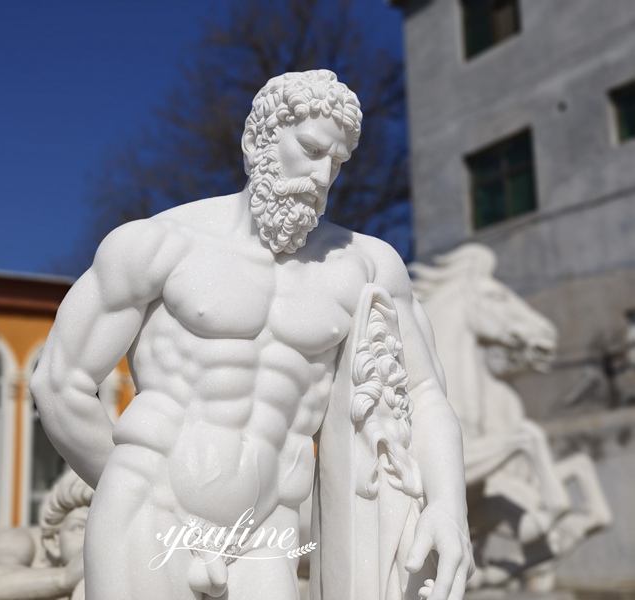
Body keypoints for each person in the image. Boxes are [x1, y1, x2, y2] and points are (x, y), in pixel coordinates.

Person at [31, 70, 473, 600]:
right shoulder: (158, 245)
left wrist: (448, 506)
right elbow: (60, 383)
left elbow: (423, 394)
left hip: (269, 527)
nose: (320, 177)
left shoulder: (366, 265)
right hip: (151, 506)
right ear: (257, 140)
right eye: (309, 149)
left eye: (336, 163)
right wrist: (132, 483)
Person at [0, 470, 93, 600]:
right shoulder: (21, 541)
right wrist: (65, 578)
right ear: (54, 540)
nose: (94, 540)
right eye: (81, 527)